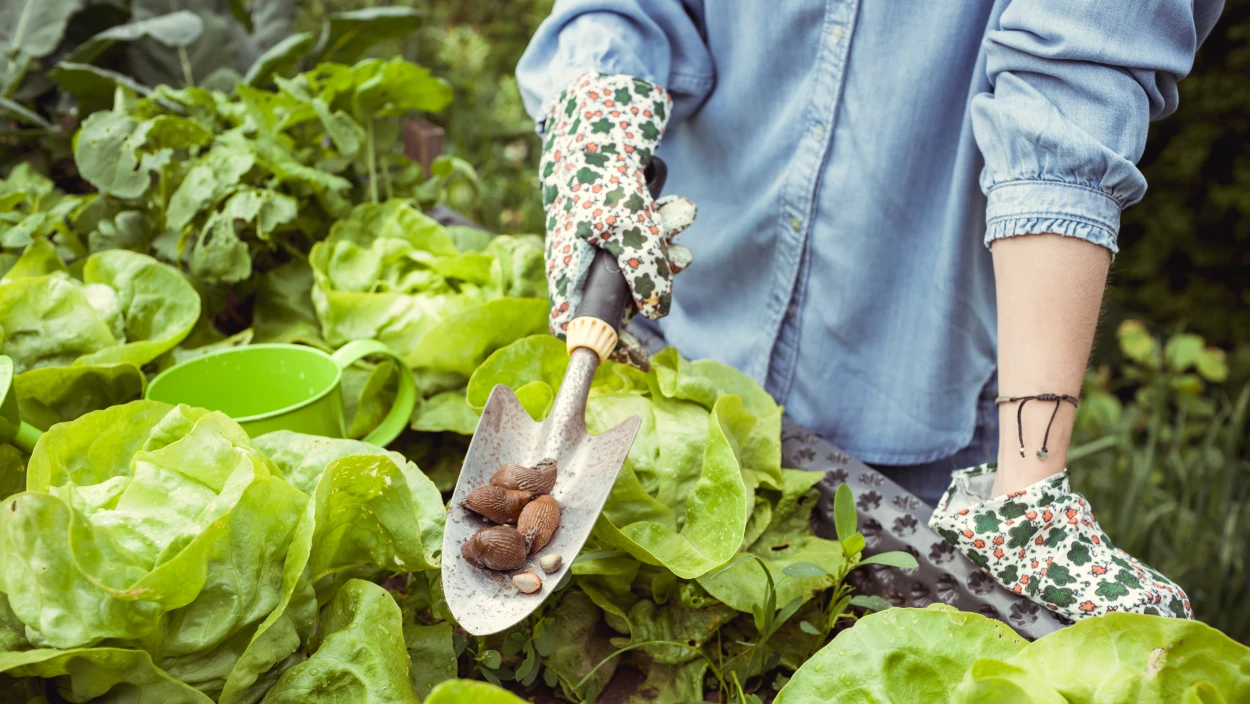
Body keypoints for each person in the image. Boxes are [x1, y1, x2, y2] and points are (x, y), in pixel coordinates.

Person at [517, 1, 1220, 622]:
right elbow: (628, 12)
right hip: (676, 353)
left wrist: (1028, 489)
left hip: (909, 413)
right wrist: (598, 120)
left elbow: (1070, 98)